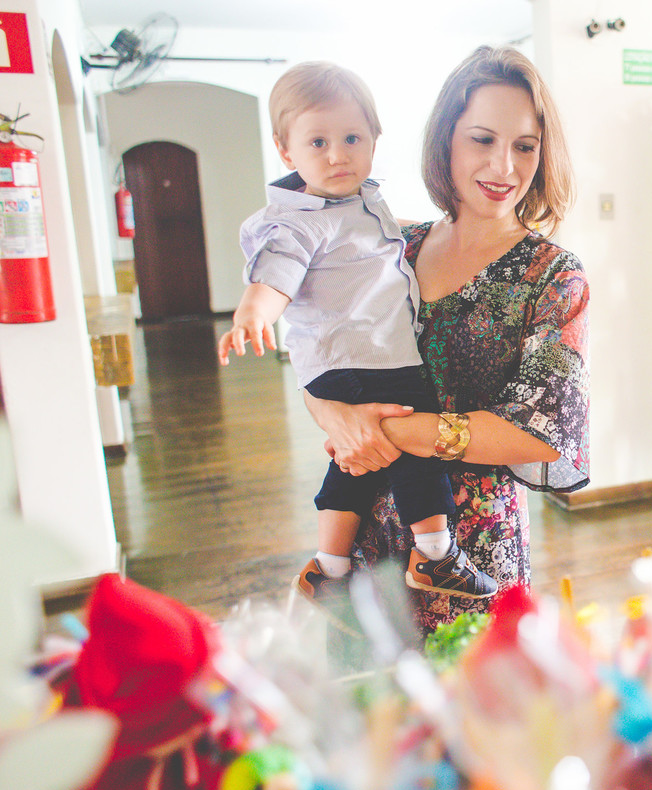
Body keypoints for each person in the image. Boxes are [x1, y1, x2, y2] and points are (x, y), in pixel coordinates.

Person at [303, 45, 589, 636]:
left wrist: (375, 431)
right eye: (482, 140)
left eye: (524, 146)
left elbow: (541, 434)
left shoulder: (552, 276)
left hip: (471, 553)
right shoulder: (390, 247)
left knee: (468, 717)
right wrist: (334, 416)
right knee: (377, 718)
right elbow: (321, 353)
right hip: (364, 532)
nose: (503, 166)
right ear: (446, 141)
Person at [218, 61, 498, 625]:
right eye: (317, 142)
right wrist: (255, 312)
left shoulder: (365, 204)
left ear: (374, 140)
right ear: (286, 149)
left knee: (357, 460)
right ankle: (437, 552)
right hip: (361, 357)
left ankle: (330, 565)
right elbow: (275, 273)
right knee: (415, 442)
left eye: (352, 138)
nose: (337, 154)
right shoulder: (298, 221)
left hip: (352, 362)